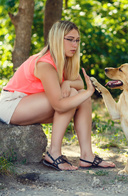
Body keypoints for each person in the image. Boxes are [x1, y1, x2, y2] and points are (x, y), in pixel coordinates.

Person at [0, 20, 115, 171]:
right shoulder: (45, 64)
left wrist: (68, 83)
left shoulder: (65, 60)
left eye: (77, 40)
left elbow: (79, 83)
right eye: (70, 40)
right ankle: (54, 153)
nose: (75, 45)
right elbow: (59, 105)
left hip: (31, 105)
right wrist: (88, 91)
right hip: (12, 105)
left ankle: (87, 155)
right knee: (75, 96)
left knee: (81, 97)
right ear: (57, 39)